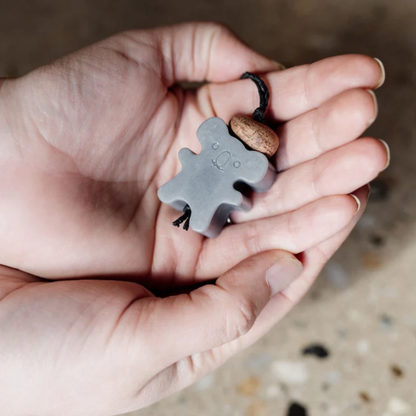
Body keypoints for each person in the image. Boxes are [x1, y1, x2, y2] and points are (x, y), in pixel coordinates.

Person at [0, 22, 388, 415]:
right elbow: (198, 159)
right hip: (185, 190)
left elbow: (237, 183)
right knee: (190, 199)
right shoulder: (220, 140)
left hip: (201, 195)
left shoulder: (245, 160)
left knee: (199, 204)